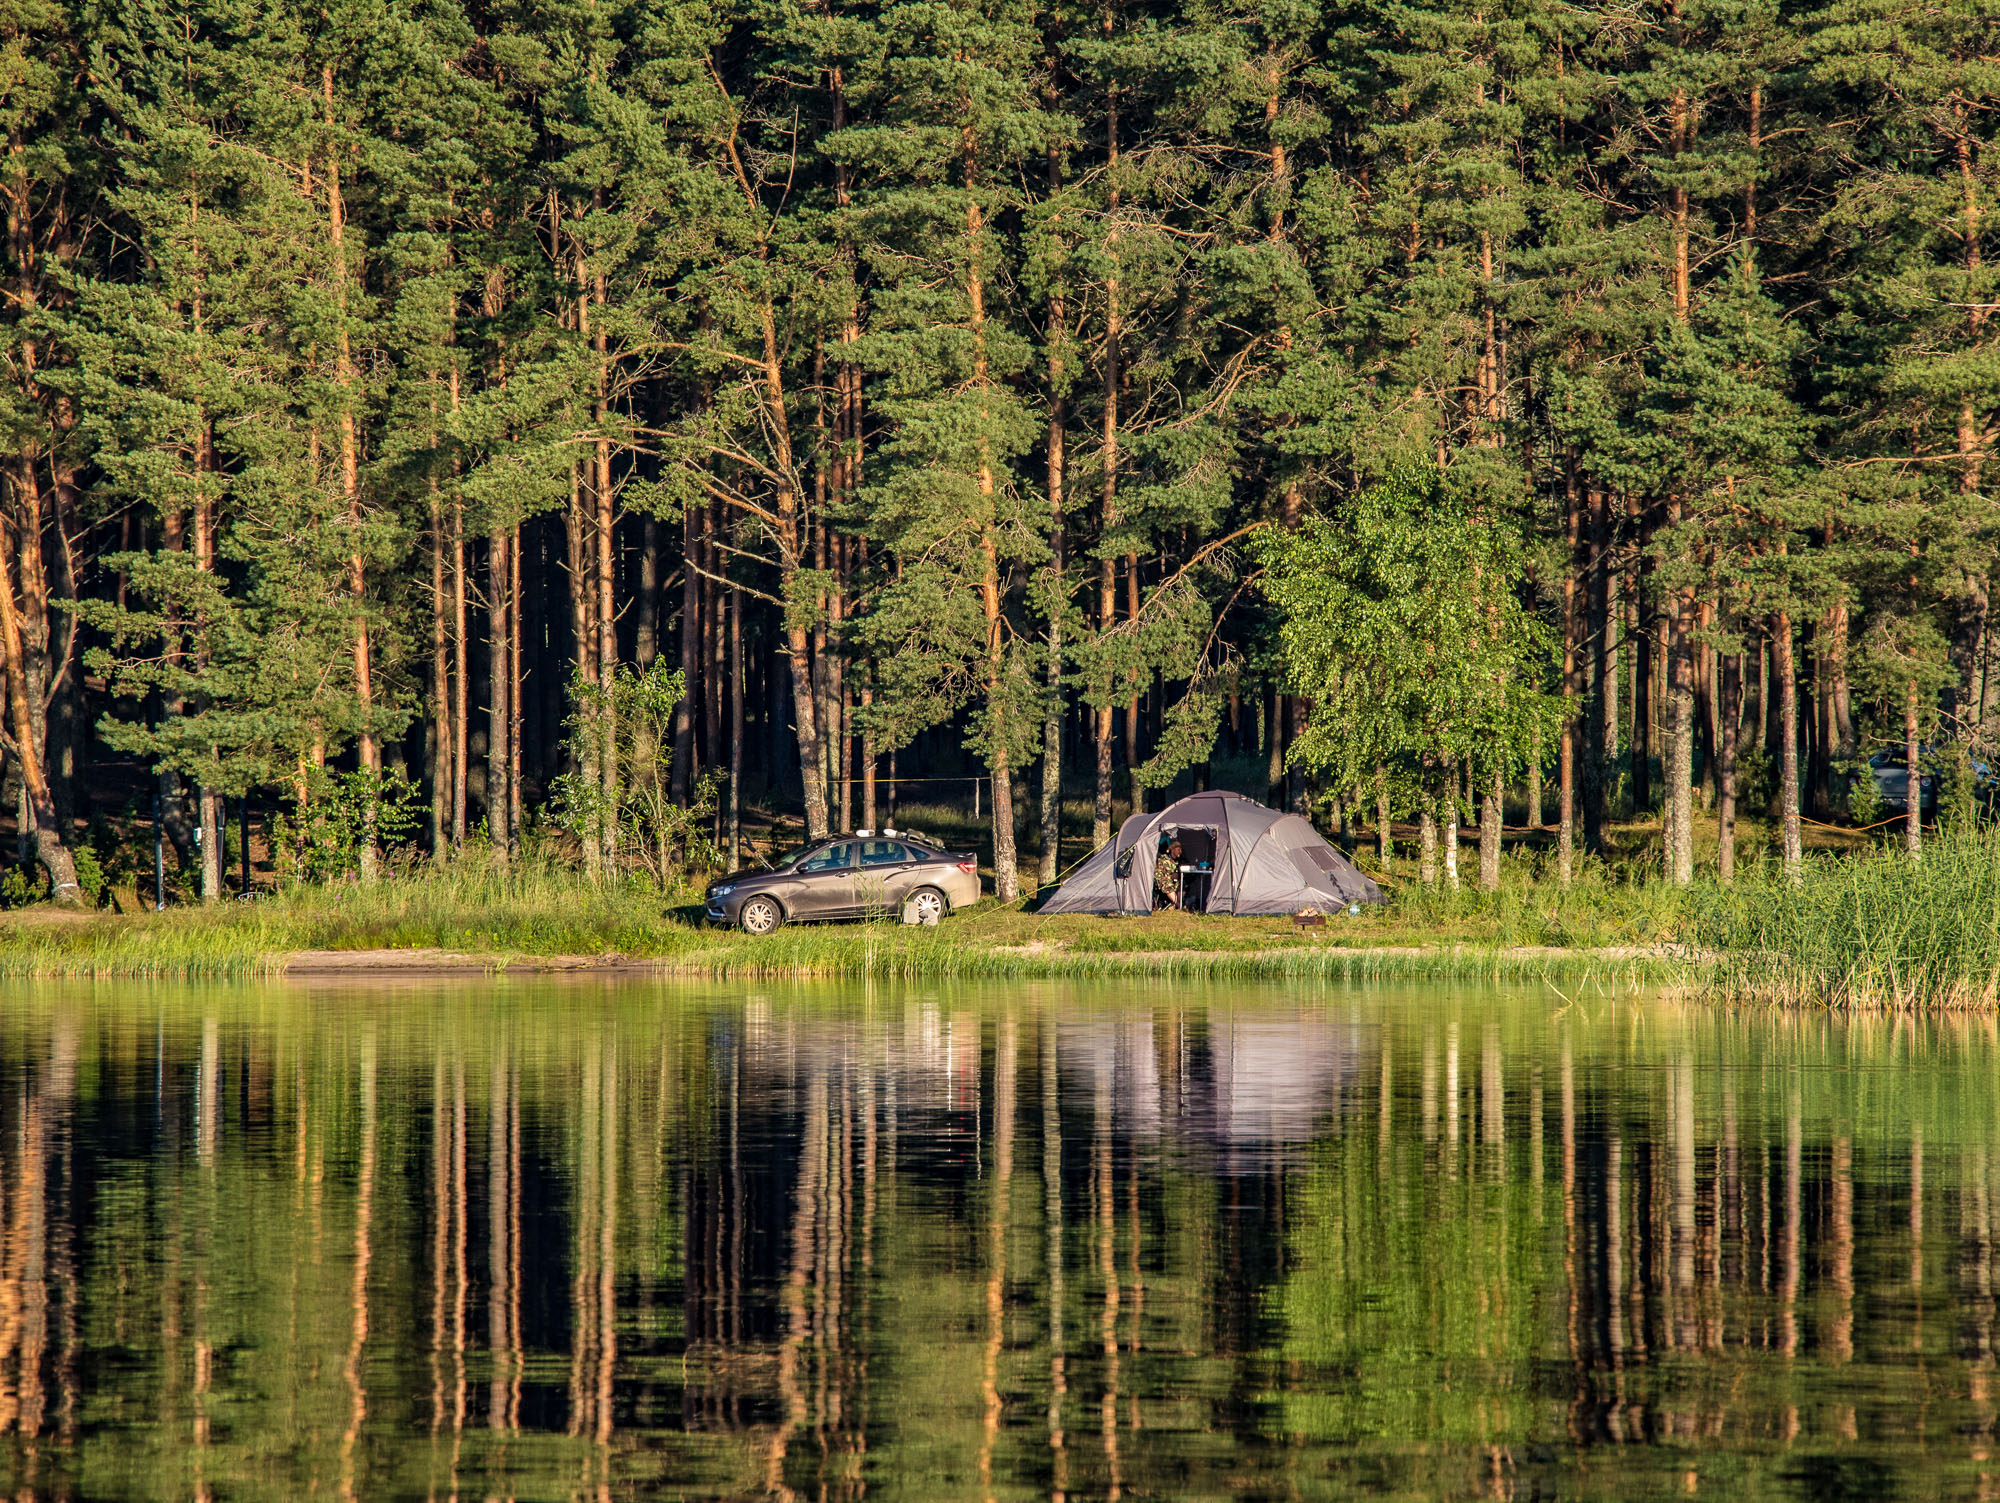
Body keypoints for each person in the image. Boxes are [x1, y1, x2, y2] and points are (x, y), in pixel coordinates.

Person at [1154, 839, 1183, 912]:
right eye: (1178, 849)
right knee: (1168, 885)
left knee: (1183, 885)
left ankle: (1176, 905)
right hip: (1163, 881)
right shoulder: (1163, 859)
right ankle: (1179, 906)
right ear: (1172, 850)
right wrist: (1170, 877)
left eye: (1181, 850)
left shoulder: (1179, 861)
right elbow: (1158, 875)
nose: (1180, 852)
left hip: (1174, 881)